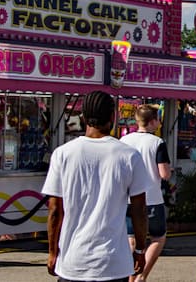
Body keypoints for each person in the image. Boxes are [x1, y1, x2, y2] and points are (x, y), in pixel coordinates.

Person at [43, 90, 149, 281]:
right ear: (112, 116)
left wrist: (52, 252)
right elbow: (139, 209)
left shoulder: (63, 154)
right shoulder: (129, 156)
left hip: (73, 262)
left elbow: (55, 210)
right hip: (113, 263)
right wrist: (140, 249)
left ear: (83, 117)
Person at [120, 104, 172, 282]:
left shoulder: (124, 140)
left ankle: (130, 275)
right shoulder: (157, 143)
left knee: (131, 238)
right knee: (158, 237)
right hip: (151, 197)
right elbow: (164, 173)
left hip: (126, 197)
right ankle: (142, 275)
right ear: (153, 121)